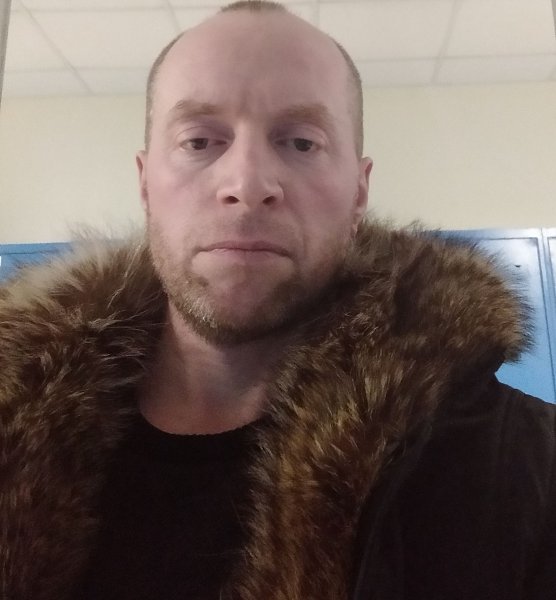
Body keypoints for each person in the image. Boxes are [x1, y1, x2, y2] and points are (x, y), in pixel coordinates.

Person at [0, 1, 554, 599]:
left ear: (359, 192)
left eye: (301, 142)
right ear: (145, 184)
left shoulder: (526, 472)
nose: (247, 184)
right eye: (199, 140)